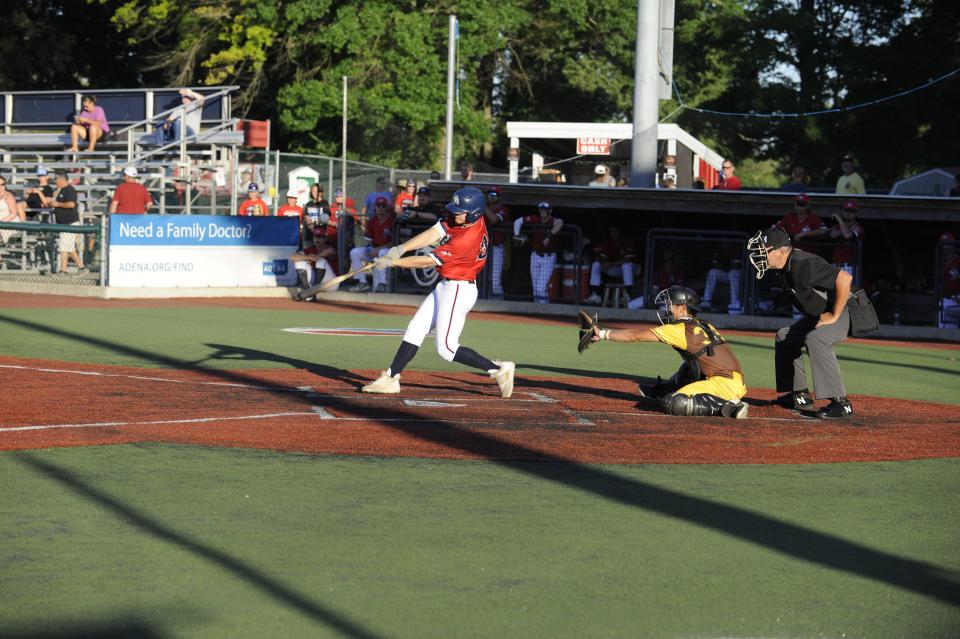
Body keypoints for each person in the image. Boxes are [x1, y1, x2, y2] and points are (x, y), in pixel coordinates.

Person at [359, 186, 515, 398]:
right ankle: (391, 378)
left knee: (447, 348)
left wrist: (392, 262)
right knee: (415, 328)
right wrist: (401, 248)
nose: (455, 214)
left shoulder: (467, 239)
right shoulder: (464, 218)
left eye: (459, 211)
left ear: (474, 213)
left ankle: (498, 369)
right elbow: (434, 232)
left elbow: (426, 261)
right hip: (446, 285)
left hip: (459, 290)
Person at [585, 286, 749, 418]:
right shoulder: (703, 325)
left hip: (725, 384)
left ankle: (729, 406)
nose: (666, 309)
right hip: (731, 379)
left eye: (669, 304)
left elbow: (633, 335)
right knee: (688, 368)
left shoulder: (680, 328)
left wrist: (602, 334)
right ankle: (662, 391)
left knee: (674, 403)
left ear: (682, 308)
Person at [747, 226, 856, 418]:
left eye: (764, 251)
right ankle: (800, 395)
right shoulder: (784, 269)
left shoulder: (803, 263)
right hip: (825, 312)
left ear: (781, 251)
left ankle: (841, 403)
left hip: (851, 309)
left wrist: (834, 315)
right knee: (784, 336)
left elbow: (845, 278)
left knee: (816, 338)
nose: (759, 256)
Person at [514, 201, 564, 304]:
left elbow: (560, 223)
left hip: (548, 257)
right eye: (541, 209)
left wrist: (549, 237)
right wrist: (517, 234)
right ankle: (539, 310)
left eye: (545, 209)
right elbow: (518, 221)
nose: (542, 211)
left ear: (549, 211)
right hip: (535, 256)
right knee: (536, 288)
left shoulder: (552, 220)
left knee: (541, 287)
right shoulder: (535, 218)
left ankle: (544, 310)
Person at [346, 196, 395, 293]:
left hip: (389, 251)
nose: (380, 208)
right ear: (375, 208)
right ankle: (362, 282)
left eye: (383, 206)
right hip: (376, 249)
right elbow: (369, 241)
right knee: (354, 252)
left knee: (382, 252)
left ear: (387, 208)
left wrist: (378, 249)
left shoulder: (392, 221)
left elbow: (394, 242)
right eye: (378, 206)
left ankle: (382, 284)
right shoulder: (372, 221)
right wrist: (370, 249)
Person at [585, 226, 637, 305]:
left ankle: (627, 294)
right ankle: (596, 294)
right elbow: (602, 256)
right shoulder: (609, 242)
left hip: (632, 268)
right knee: (596, 265)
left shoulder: (626, 241)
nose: (613, 233)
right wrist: (603, 263)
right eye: (611, 231)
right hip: (616, 269)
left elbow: (627, 260)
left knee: (626, 266)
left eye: (615, 231)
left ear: (619, 231)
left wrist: (611, 264)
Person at [51, 171, 86, 274]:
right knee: (69, 247)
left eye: (56, 179)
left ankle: (63, 270)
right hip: (64, 224)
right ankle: (82, 267)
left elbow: (71, 204)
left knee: (64, 247)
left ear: (62, 179)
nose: (55, 182)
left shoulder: (70, 190)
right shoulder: (60, 190)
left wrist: (57, 204)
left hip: (70, 223)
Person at [483, 186, 511, 300]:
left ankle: (499, 304)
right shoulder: (483, 210)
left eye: (494, 195)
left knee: (495, 280)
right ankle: (485, 303)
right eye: (490, 195)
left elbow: (494, 219)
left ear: (499, 197)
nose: (492, 197)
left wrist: (483, 206)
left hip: (496, 248)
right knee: (482, 278)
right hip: (483, 247)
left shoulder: (503, 210)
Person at [827, 200, 864, 278]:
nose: (848, 213)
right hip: (835, 265)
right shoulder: (838, 226)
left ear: (856, 213)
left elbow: (847, 235)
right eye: (846, 210)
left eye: (851, 211)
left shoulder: (858, 227)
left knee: (847, 290)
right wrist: (843, 229)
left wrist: (840, 220)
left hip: (850, 267)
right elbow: (832, 235)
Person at [700, 250, 744, 315]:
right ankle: (707, 300)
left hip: (738, 274)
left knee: (733, 273)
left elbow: (736, 266)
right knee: (713, 272)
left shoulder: (736, 250)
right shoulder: (720, 252)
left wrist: (726, 264)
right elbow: (715, 265)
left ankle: (734, 303)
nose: (725, 244)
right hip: (725, 273)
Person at [938, 232, 959, 328]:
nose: (945, 247)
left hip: (957, 298)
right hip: (947, 299)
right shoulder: (942, 262)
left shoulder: (958, 261)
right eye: (943, 244)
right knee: (944, 329)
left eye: (947, 243)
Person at [0, 176, 22, 244]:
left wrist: (2, 222)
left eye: (3, 184)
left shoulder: (8, 196)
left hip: (9, 221)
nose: (1, 186)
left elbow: (14, 213)